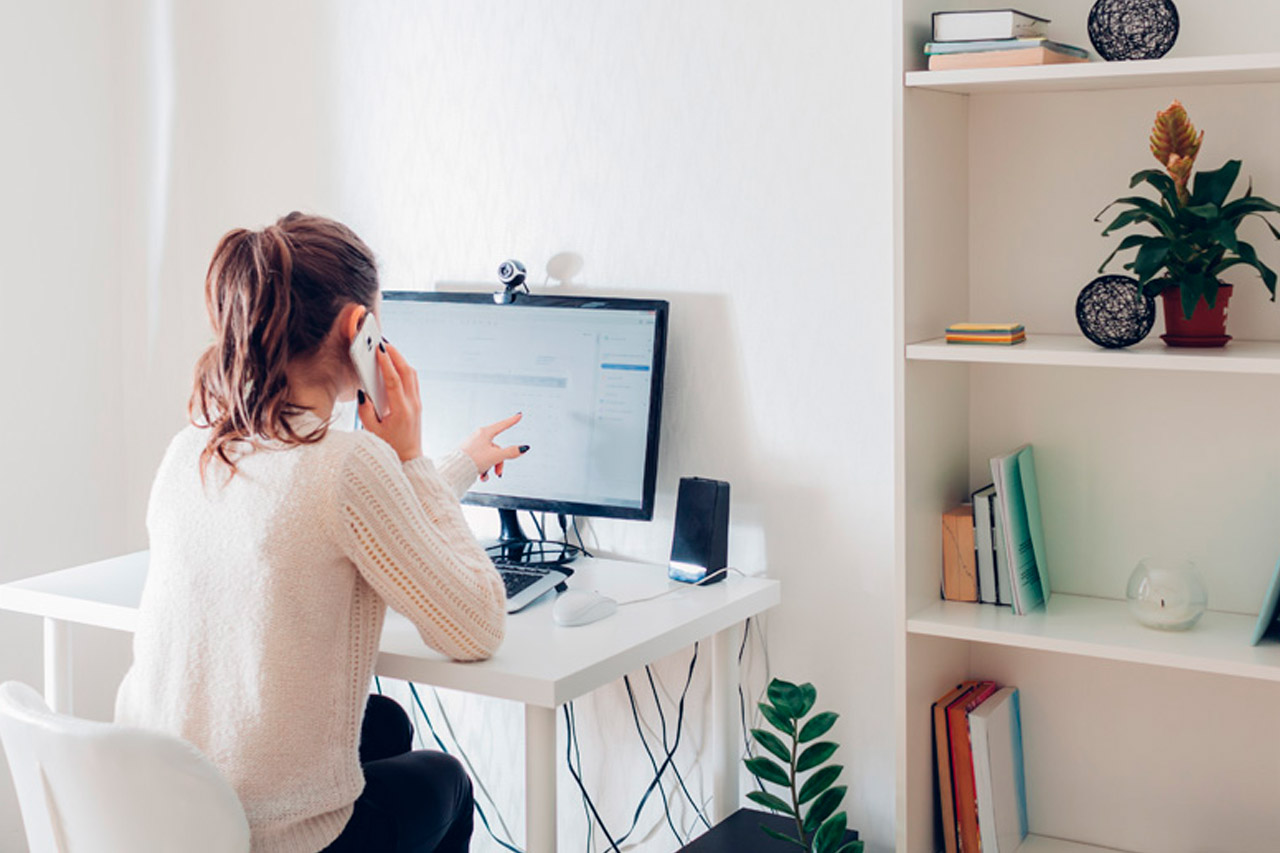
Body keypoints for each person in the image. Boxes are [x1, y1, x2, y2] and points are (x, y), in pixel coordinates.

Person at [115, 212, 523, 853]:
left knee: (383, 725)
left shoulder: (192, 448)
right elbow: (476, 627)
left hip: (165, 817)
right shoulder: (349, 465)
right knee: (445, 781)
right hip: (270, 838)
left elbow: (360, 522)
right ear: (359, 329)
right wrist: (409, 458)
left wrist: (459, 464)